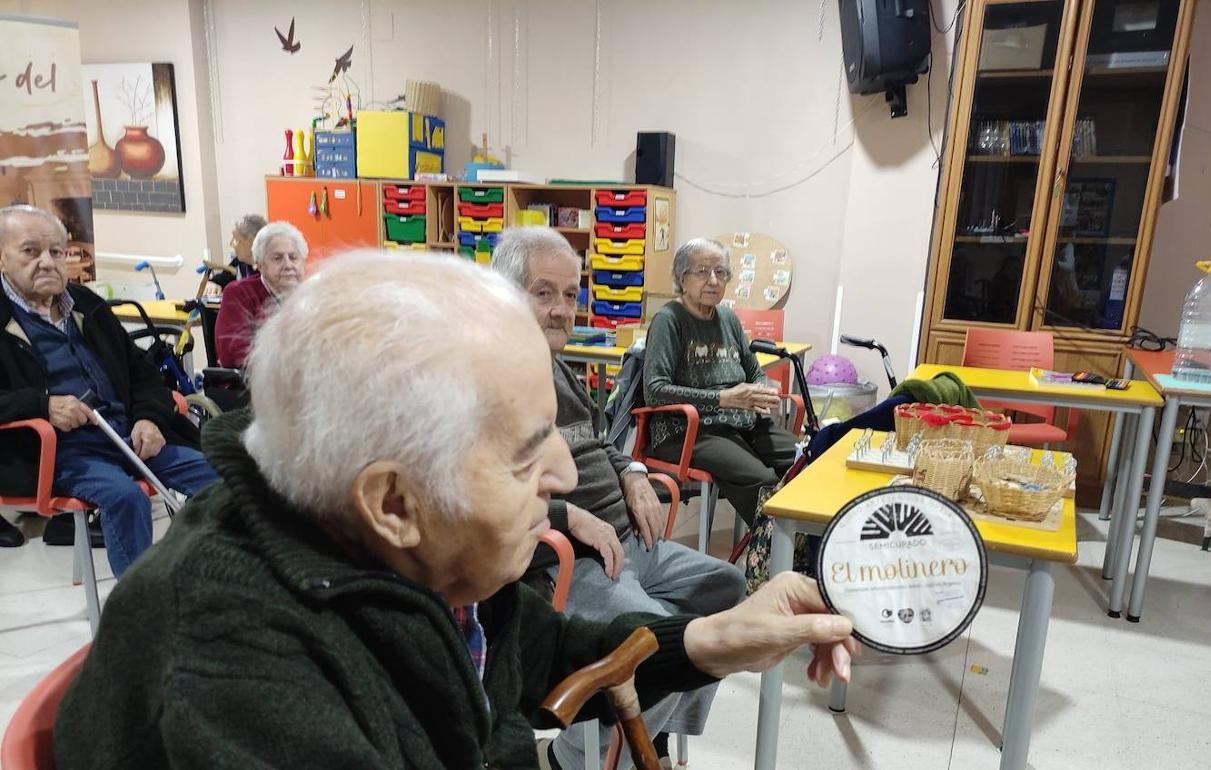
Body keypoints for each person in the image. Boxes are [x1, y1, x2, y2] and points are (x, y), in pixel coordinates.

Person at [54, 250, 860, 770]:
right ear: (395, 502)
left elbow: (545, 648)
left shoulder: (384, 547)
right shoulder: (236, 677)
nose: (558, 474)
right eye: (524, 451)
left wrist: (719, 637)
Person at [493, 228, 746, 770]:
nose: (562, 309)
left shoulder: (558, 366)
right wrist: (570, 515)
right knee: (661, 643)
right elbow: (484, 490)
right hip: (572, 559)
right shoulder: (491, 378)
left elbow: (601, 437)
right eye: (543, 293)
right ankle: (578, 755)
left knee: (727, 587)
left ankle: (640, 737)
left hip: (632, 538)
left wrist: (632, 471)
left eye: (569, 293)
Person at [0, 205, 218, 571]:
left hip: (128, 437)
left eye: (56, 251)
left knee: (225, 477)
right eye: (30, 251)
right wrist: (43, 405)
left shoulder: (87, 305)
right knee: (126, 498)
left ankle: (212, 583)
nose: (47, 262)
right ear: (3, 259)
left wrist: (149, 418)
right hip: (59, 452)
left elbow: (143, 374)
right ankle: (136, 617)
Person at [644, 237, 796, 527]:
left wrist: (764, 390)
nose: (713, 280)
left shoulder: (728, 318)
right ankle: (773, 555)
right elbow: (654, 391)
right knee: (763, 480)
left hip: (740, 422)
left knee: (804, 459)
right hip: (687, 429)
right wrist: (722, 399)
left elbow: (754, 370)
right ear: (682, 278)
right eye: (702, 271)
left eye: (721, 272)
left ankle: (805, 544)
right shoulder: (669, 320)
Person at [214, 220, 307, 368]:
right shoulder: (238, 293)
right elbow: (231, 354)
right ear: (260, 264)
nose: (288, 265)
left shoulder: (311, 294)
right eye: (277, 258)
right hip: (255, 384)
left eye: (294, 257)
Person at [206, 214, 266, 292]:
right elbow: (222, 279)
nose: (231, 244)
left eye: (235, 239)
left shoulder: (271, 268)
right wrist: (212, 283)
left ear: (251, 241)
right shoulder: (240, 262)